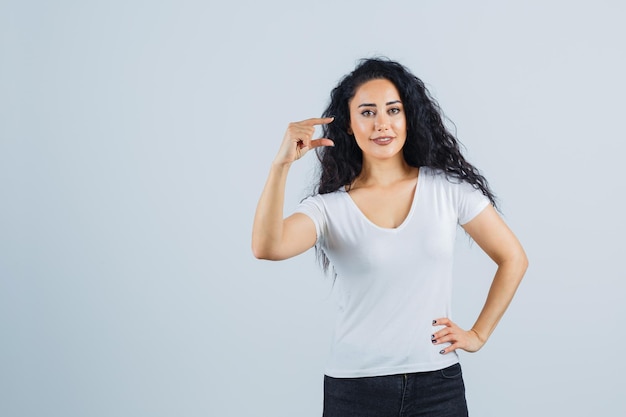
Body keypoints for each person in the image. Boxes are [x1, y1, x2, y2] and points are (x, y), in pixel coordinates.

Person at [252, 57, 528, 417]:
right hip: (355, 389)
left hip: (437, 384)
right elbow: (267, 247)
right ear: (349, 126)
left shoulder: (447, 190)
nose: (382, 123)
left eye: (393, 110)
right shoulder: (329, 209)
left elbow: (514, 258)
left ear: (407, 118)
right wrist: (280, 166)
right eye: (367, 112)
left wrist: (478, 334)